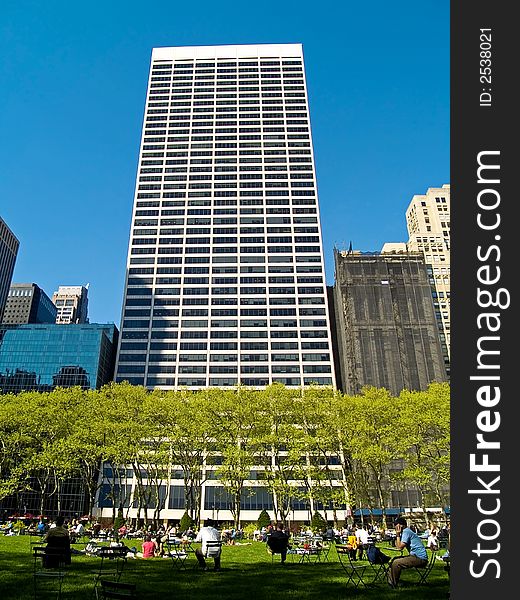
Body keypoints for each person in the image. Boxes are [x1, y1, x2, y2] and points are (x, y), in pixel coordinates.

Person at [387, 517, 428, 588]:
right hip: (415, 556)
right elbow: (398, 546)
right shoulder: (405, 532)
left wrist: (397, 534)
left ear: (400, 525)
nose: (395, 527)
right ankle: (391, 581)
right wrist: (398, 536)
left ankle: (393, 584)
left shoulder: (406, 532)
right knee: (393, 560)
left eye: (396, 526)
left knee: (396, 563)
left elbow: (400, 547)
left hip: (420, 558)